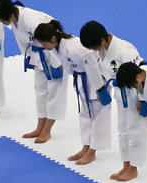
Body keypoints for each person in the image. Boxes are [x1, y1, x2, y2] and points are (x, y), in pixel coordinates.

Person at [79, 20, 147, 181]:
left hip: (134, 94)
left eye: (93, 46)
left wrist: (143, 99)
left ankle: (134, 168)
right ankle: (126, 165)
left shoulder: (124, 50)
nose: (93, 50)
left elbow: (142, 73)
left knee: (135, 132)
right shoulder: (103, 49)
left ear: (102, 39)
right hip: (121, 95)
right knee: (122, 131)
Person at [34, 20, 110, 165]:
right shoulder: (58, 47)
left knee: (98, 117)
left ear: (53, 38)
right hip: (82, 78)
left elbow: (93, 64)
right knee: (85, 114)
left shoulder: (75, 47)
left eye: (44, 44)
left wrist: (100, 89)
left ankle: (92, 152)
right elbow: (69, 66)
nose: (43, 47)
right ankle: (86, 147)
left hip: (96, 79)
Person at [0, 0, 66, 143]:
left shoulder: (33, 21)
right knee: (40, 91)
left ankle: (47, 131)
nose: (1, 22)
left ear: (10, 15)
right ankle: (40, 127)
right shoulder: (14, 20)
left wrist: (57, 64)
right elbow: (21, 40)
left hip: (54, 54)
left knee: (54, 95)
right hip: (39, 56)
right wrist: (27, 58)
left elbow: (54, 40)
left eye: (1, 19)